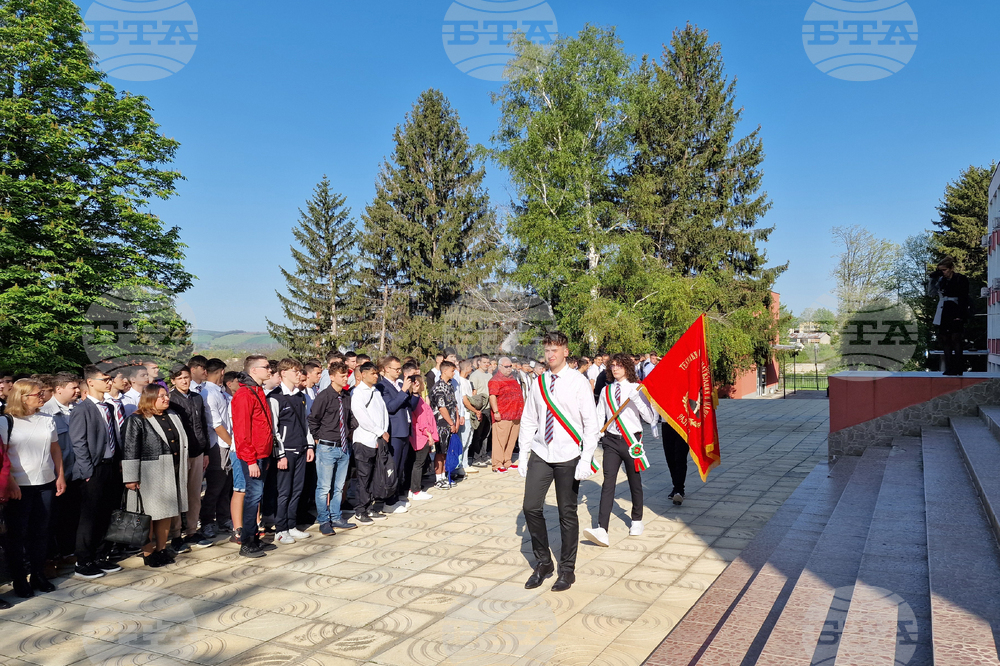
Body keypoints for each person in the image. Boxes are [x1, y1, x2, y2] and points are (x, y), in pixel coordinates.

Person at [518, 331, 600, 593]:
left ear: (566, 352)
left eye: (555, 350)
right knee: (531, 507)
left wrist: (587, 457)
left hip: (569, 455)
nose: (550, 354)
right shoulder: (539, 382)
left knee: (567, 512)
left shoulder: (577, 382)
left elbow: (591, 424)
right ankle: (544, 563)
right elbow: (529, 419)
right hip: (542, 452)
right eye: (547, 350)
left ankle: (567, 569)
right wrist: (523, 453)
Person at [584, 354, 656, 547]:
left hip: (632, 441)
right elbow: (600, 415)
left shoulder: (637, 389)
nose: (615, 369)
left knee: (634, 480)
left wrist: (638, 400)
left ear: (627, 368)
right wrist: (596, 434)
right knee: (608, 482)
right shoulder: (606, 391)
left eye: (619, 366)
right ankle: (602, 528)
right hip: (611, 442)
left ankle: (637, 519)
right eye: (613, 366)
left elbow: (650, 418)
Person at [3, 379, 66, 597]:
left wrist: (60, 476)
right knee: (17, 535)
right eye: (38, 394)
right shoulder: (6, 421)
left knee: (41, 532)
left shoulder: (47, 419)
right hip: (19, 486)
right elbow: (2, 456)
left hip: (46, 483)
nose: (42, 397)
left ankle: (38, 574)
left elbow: (55, 449)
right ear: (22, 396)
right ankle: (19, 579)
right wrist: (10, 481)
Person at [122, 385, 189, 568]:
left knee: (166, 513)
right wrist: (130, 478)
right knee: (149, 515)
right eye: (161, 396)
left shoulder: (173, 416)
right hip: (149, 474)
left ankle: (161, 548)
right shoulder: (136, 420)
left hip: (172, 470)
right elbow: (130, 450)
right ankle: (148, 552)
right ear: (150, 398)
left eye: (166, 395)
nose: (166, 398)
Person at [69, 366, 124, 579]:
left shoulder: (107, 407)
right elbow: (78, 442)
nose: (109, 383)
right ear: (91, 382)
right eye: (105, 379)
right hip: (93, 469)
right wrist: (87, 471)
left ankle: (102, 555)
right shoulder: (82, 409)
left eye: (110, 379)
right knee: (89, 516)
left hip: (111, 466)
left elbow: (114, 437)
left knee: (108, 513)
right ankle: (84, 561)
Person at [231, 356, 277, 558]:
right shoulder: (244, 394)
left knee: (256, 498)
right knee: (252, 498)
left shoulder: (258, 391)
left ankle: (254, 538)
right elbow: (242, 432)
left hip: (262, 454)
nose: (270, 370)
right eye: (266, 367)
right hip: (253, 456)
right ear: (254, 370)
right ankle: (247, 541)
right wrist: (250, 460)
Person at [268, 358, 314, 545]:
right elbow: (274, 429)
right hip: (285, 451)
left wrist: (310, 445)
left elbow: (305, 423)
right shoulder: (275, 397)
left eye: (299, 370)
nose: (298, 374)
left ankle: (292, 524)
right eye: (295, 371)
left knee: (297, 489)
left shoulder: (300, 396)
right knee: (284, 491)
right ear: (283, 373)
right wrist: (280, 454)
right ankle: (280, 529)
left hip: (302, 448)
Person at [309, 361, 358, 535]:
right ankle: (324, 520)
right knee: (324, 487)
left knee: (339, 486)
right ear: (332, 377)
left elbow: (350, 417)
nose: (346, 379)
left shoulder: (345, 396)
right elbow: (313, 419)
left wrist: (349, 431)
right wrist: (318, 438)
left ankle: (336, 516)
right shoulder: (324, 396)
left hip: (343, 447)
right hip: (327, 447)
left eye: (347, 375)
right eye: (342, 376)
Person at [168, 365, 213, 551]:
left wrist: (207, 451)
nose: (184, 381)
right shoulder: (171, 399)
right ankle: (176, 534)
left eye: (186, 377)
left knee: (194, 494)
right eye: (179, 378)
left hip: (198, 451)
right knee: (179, 495)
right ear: (173, 381)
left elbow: (203, 423)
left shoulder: (197, 397)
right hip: (181, 453)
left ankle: (192, 530)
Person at [40, 373, 80, 560]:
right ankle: (53, 557)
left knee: (73, 515)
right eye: (73, 387)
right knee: (53, 519)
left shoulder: (78, 409)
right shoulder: (45, 412)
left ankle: (70, 551)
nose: (78, 391)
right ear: (59, 389)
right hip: (56, 476)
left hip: (77, 473)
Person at [377, 356, 419, 513]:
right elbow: (390, 407)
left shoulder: (398, 385)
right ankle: (389, 501)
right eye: (396, 369)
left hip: (404, 430)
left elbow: (409, 407)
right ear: (387, 369)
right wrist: (402, 392)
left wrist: (414, 393)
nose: (399, 371)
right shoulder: (383, 386)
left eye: (400, 369)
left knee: (400, 466)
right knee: (392, 467)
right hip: (394, 431)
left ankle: (396, 496)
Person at [351, 362, 390, 524]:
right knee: (364, 478)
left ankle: (371, 507)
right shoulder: (358, 393)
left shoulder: (376, 391)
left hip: (378, 440)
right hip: (364, 441)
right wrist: (379, 431)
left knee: (375, 476)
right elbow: (362, 417)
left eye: (377, 373)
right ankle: (361, 510)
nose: (376, 376)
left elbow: (383, 413)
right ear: (364, 374)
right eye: (373, 373)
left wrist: (383, 431)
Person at [199, 358, 232, 539]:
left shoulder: (220, 391)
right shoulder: (208, 393)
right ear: (221, 372)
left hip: (226, 443)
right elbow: (216, 424)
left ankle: (223, 518)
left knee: (226, 485)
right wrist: (232, 443)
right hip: (217, 445)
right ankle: (207, 522)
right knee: (215, 486)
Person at [931, 257, 973, 376]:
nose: (943, 273)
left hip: (956, 309)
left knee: (956, 340)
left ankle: (959, 367)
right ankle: (949, 367)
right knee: (946, 340)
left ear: (951, 268)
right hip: (944, 310)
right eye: (941, 270)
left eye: (944, 270)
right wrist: (933, 279)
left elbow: (964, 297)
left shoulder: (960, 279)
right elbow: (932, 293)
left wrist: (960, 315)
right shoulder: (942, 281)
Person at [489, 357, 524, 473]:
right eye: (506, 366)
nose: (509, 368)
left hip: (516, 414)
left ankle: (507, 461)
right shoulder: (495, 380)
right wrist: (496, 412)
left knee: (511, 440)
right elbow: (492, 396)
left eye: (510, 366)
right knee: (500, 440)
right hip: (503, 414)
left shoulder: (513, 379)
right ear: (500, 367)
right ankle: (497, 464)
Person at [429, 360, 459, 489]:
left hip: (451, 423)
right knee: (440, 452)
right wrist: (451, 423)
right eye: (452, 371)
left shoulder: (450, 386)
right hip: (441, 424)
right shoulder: (438, 387)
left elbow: (454, 405)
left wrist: (456, 421)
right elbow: (442, 408)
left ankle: (445, 475)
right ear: (445, 371)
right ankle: (438, 478)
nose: (454, 373)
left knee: (447, 451)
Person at [408, 375, 436, 501]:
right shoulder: (417, 400)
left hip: (419, 435)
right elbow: (421, 419)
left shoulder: (419, 398)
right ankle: (416, 490)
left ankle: (412, 489)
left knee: (416, 463)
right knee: (419, 463)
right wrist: (428, 434)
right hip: (421, 436)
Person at [468, 356, 493, 469]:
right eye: (484, 362)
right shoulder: (475, 376)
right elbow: (474, 393)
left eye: (488, 362)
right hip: (480, 408)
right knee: (478, 434)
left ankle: (483, 455)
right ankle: (476, 457)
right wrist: (476, 409)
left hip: (489, 408)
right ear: (479, 363)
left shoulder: (489, 375)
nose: (486, 364)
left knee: (486, 434)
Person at [456, 360, 476, 476]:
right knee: (462, 441)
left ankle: (465, 463)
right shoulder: (460, 382)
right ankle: (459, 465)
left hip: (471, 415)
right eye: (470, 366)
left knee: (468, 440)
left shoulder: (467, 381)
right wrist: (475, 410)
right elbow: (464, 400)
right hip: (465, 415)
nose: (471, 368)